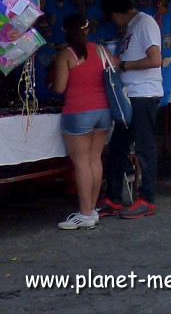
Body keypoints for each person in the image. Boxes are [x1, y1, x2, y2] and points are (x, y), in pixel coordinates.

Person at [98, 0, 162, 220]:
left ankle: (147, 198)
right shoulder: (132, 27)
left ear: (116, 13)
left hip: (144, 94)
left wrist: (122, 64)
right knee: (118, 147)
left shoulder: (144, 23)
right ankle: (113, 196)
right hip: (129, 95)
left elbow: (155, 60)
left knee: (144, 147)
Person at [52, 15, 115, 230]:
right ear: (87, 30)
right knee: (95, 159)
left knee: (81, 163)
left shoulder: (66, 55)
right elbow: (116, 68)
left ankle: (85, 213)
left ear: (66, 32)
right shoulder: (100, 50)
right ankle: (93, 209)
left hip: (79, 111)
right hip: (104, 110)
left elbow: (59, 88)